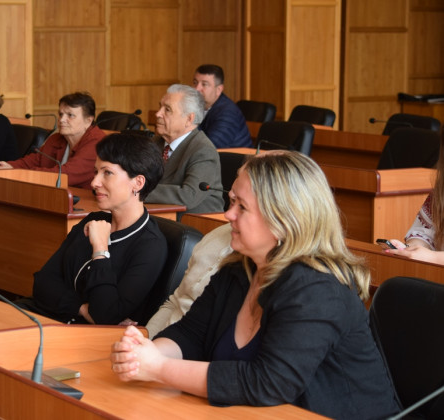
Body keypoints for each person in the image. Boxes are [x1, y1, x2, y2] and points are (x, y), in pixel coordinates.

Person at [110, 152, 401, 420]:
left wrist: (158, 368)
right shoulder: (240, 268)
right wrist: (142, 355)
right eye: (231, 201)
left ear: (283, 220)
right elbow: (189, 335)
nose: (228, 215)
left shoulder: (319, 289)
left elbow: (268, 383)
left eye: (242, 207)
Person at [19, 133, 167, 325]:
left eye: (107, 173)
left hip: (79, 334)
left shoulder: (151, 246)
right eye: (96, 172)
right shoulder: (93, 220)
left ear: (138, 183)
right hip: (45, 315)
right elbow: (43, 283)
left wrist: (100, 250)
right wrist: (82, 308)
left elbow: (105, 315)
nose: (94, 182)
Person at [0, 92, 105, 189]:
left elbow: (65, 175)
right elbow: (33, 161)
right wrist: (9, 167)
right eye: (61, 114)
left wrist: (18, 173)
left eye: (70, 115)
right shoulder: (56, 138)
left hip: (86, 202)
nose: (62, 120)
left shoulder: (97, 143)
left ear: (88, 121)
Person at [145, 84, 224, 216]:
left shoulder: (203, 150)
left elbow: (189, 195)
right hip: (159, 215)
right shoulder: (155, 142)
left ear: (189, 119)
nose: (158, 114)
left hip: (196, 222)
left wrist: (137, 191)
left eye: (167, 110)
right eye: (160, 107)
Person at [145, 223, 232, 337]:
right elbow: (174, 302)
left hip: (181, 344)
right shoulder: (216, 234)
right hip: (165, 341)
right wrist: (146, 337)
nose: (229, 214)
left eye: (242, 211)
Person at [388, 130, 444, 264]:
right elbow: (426, 232)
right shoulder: (441, 190)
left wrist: (433, 257)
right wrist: (410, 248)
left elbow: (432, 256)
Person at [193, 64, 252, 149]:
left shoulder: (228, 112)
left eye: (204, 84)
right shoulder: (195, 106)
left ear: (218, 90)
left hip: (234, 157)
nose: (196, 89)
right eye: (195, 83)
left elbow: (210, 147)